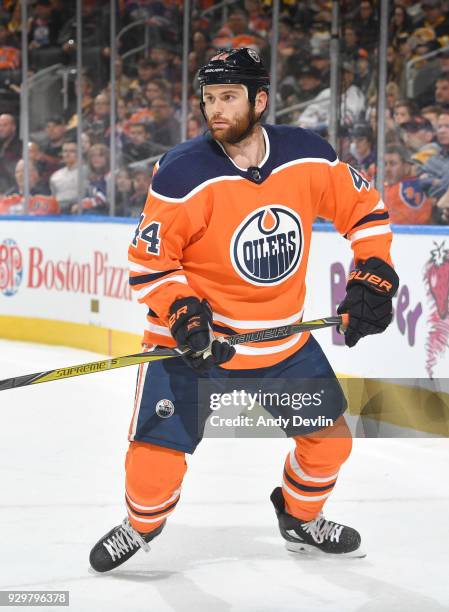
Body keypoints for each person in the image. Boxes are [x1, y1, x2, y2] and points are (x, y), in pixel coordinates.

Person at [89, 48, 399, 573]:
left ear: (260, 99)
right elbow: (150, 261)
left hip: (282, 341)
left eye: (228, 97)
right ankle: (141, 524)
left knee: (329, 443)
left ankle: (300, 519)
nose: (216, 109)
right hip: (194, 345)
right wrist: (184, 312)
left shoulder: (307, 155)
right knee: (155, 458)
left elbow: (365, 211)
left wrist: (373, 273)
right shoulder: (182, 171)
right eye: (209, 98)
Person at [383, 145, 433, 224]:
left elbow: (408, 223)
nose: (387, 169)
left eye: (393, 164)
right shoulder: (385, 186)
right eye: (385, 164)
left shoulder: (408, 188)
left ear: (406, 166)